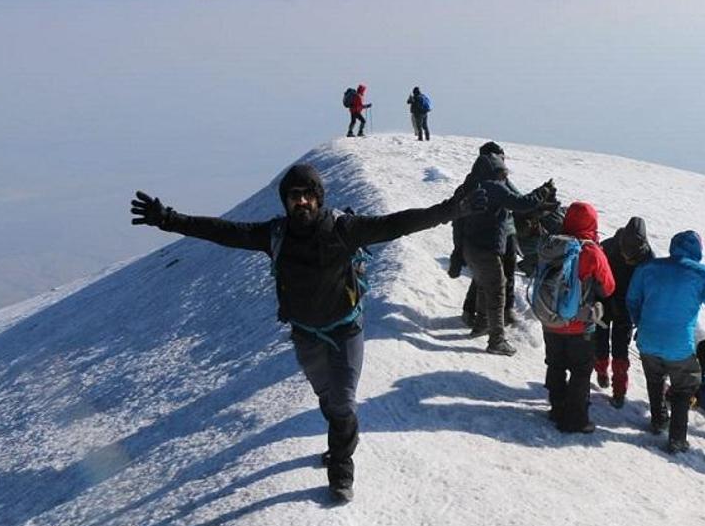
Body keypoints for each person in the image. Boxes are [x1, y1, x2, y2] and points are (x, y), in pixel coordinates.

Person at [128, 164, 484, 502]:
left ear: (318, 197)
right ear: (285, 201)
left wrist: (447, 211)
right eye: (293, 196)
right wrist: (170, 220)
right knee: (329, 400)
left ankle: (342, 469)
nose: (300, 201)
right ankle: (339, 439)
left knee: (343, 402)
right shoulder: (275, 235)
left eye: (307, 195)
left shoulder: (344, 230)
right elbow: (224, 232)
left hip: (346, 331)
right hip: (306, 334)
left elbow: (399, 224)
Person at [627, 230, 705, 453]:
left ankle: (658, 421)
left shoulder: (648, 268)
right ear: (698, 250)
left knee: (654, 379)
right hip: (679, 343)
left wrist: (640, 323)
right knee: (685, 387)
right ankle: (677, 438)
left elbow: (632, 299)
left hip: (648, 337)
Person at [457, 152, 555, 355]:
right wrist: (543, 191)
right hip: (487, 248)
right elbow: (520, 204)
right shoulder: (493, 187)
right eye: (502, 171)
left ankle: (482, 324)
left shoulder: (473, 185)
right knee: (497, 291)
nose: (504, 175)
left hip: (472, 246)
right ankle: (496, 340)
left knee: (485, 285)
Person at [540, 202, 615, 433]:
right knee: (581, 371)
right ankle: (575, 419)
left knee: (555, 364)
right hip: (579, 324)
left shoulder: (551, 244)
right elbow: (608, 288)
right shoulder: (591, 251)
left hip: (549, 319)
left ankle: (557, 408)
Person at [594, 217, 654, 408]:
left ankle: (619, 390)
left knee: (619, 349)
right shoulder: (610, 247)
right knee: (601, 343)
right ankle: (602, 371)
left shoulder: (647, 256)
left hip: (623, 309)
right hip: (605, 304)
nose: (628, 258)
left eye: (632, 256)